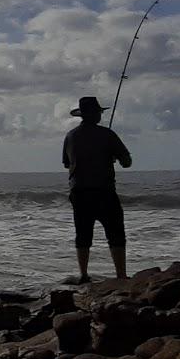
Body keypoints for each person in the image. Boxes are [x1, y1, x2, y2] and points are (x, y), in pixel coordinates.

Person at [62, 95, 133, 282]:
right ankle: (121, 275)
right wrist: (112, 158)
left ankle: (83, 274)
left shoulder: (70, 136)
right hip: (104, 191)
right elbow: (127, 162)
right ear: (97, 115)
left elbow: (66, 163)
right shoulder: (108, 135)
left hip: (79, 192)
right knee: (116, 233)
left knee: (83, 234)